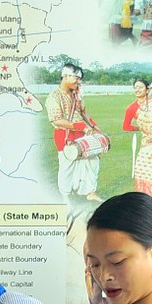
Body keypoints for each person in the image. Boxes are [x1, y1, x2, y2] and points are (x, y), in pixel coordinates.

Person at [46, 63, 106, 203]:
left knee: (92, 161)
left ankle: (90, 191)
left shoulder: (76, 94)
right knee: (67, 166)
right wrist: (80, 126)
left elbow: (83, 112)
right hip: (65, 135)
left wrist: (94, 126)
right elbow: (57, 120)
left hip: (83, 133)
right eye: (77, 78)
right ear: (66, 76)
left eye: (80, 79)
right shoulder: (54, 97)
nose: (79, 82)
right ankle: (65, 196)